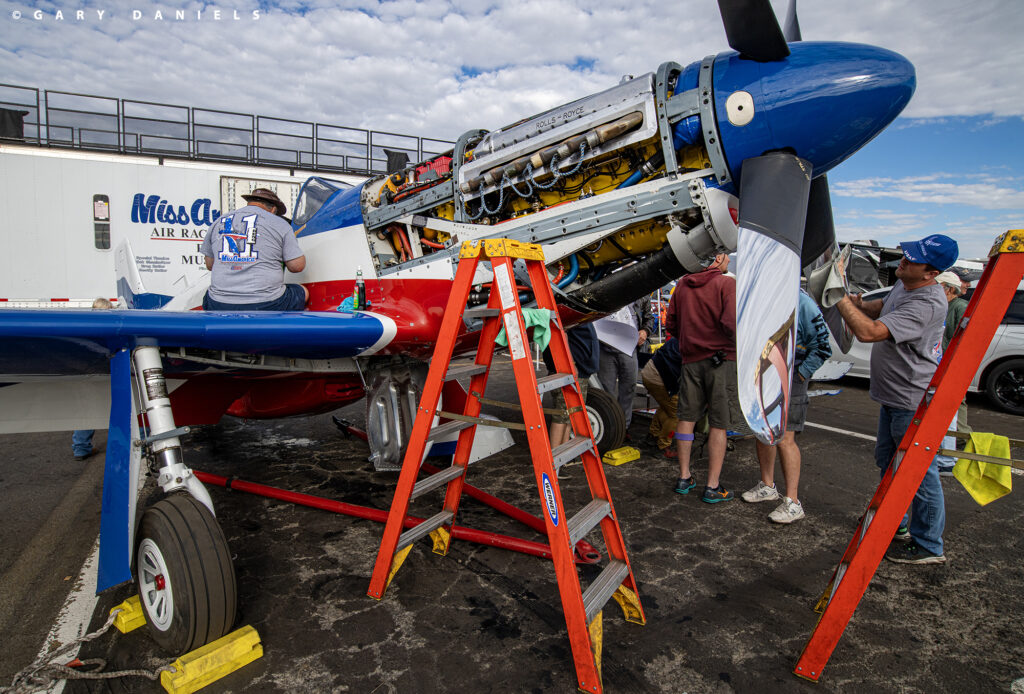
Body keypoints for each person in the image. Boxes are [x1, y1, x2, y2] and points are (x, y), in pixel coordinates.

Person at [835, 233, 958, 564]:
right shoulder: (906, 285)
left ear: (931, 273)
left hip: (910, 400)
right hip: (894, 397)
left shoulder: (927, 302)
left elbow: (870, 332)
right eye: (908, 253)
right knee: (888, 462)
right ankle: (894, 523)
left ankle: (929, 545)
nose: (904, 259)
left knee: (917, 475)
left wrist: (838, 298)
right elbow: (882, 308)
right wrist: (859, 304)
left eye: (913, 259)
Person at [742, 290, 831, 523]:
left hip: (792, 380)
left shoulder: (802, 302)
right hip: (766, 378)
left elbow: (823, 346)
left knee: (785, 439)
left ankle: (793, 502)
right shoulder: (764, 294)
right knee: (764, 432)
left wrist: (800, 374)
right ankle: (768, 486)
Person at [666, 254, 738, 503]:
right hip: (722, 361)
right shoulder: (727, 284)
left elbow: (671, 324)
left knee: (686, 418)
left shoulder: (682, 286)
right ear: (717, 258)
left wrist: (691, 340)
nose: (729, 260)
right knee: (719, 423)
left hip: (690, 361)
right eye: (727, 255)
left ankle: (684, 477)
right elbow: (731, 324)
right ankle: (712, 486)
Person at [201, 188, 309, 311]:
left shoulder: (219, 221)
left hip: (218, 303)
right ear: (273, 209)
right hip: (267, 303)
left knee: (210, 294)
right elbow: (297, 267)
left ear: (250, 202)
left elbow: (210, 265)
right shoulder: (280, 223)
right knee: (302, 292)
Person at [544, 323, 600, 477]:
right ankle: (553, 465)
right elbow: (561, 333)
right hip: (571, 370)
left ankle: (561, 460)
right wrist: (570, 363)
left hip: (579, 371)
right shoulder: (570, 315)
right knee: (561, 417)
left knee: (568, 417)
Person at [595, 297, 654, 438]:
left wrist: (645, 331)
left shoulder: (643, 294)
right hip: (605, 347)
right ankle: (609, 428)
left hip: (629, 348)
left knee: (628, 389)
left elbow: (649, 318)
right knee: (606, 391)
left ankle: (623, 428)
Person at [933, 270, 970, 475]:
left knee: (949, 411)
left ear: (948, 289)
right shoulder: (942, 306)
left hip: (950, 367)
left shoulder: (959, 307)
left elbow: (965, 340)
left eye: (937, 286)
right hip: (939, 365)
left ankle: (949, 457)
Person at [72, 297, 113, 460]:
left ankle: (81, 448)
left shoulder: (84, 329)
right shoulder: (112, 329)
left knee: (87, 410)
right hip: (108, 373)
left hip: (88, 375)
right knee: (126, 407)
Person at [639, 337, 682, 457]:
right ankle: (663, 446)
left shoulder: (683, 333)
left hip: (650, 371)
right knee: (677, 413)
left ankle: (653, 436)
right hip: (659, 377)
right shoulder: (697, 342)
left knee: (666, 406)